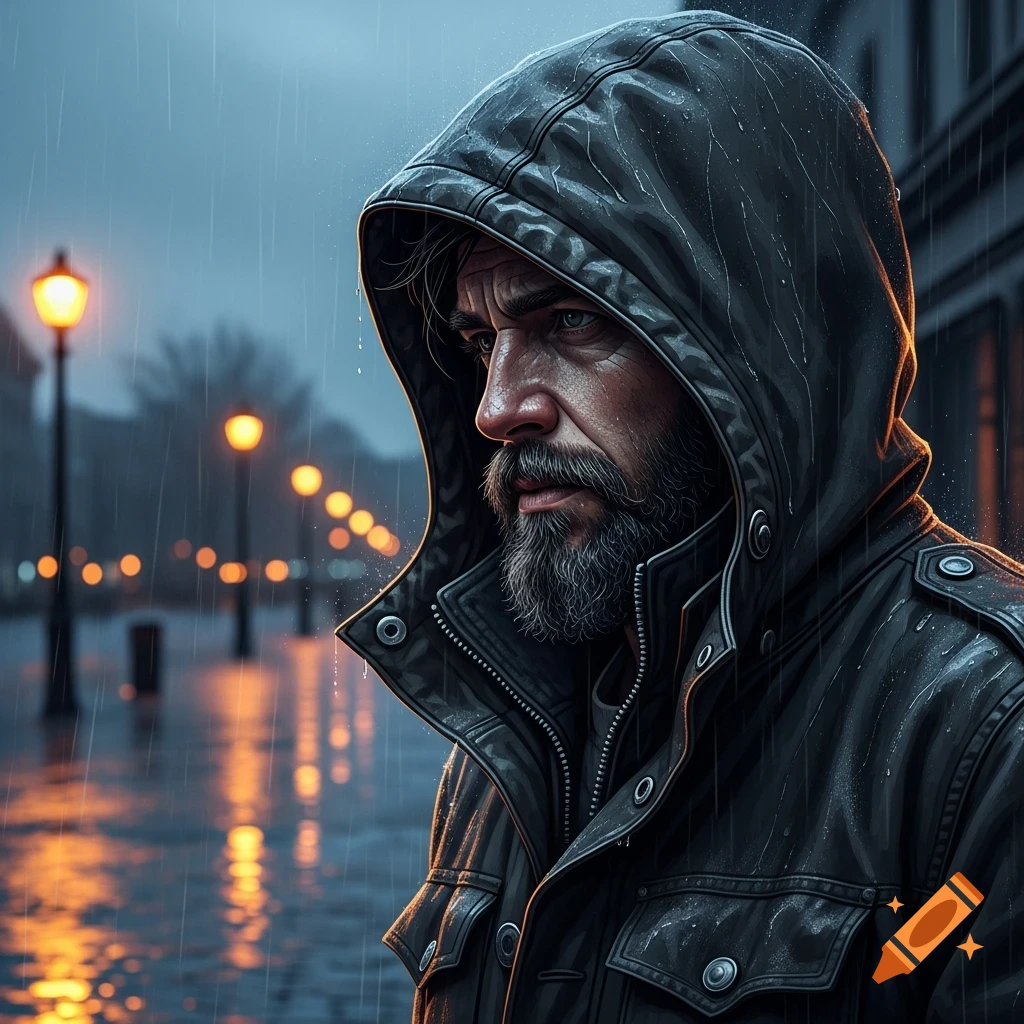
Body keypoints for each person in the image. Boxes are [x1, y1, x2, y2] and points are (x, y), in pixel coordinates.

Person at [337, 11, 1024, 1022]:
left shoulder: (986, 728)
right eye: (481, 342)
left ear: (755, 347)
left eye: (569, 319)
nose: (496, 407)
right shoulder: (516, 732)